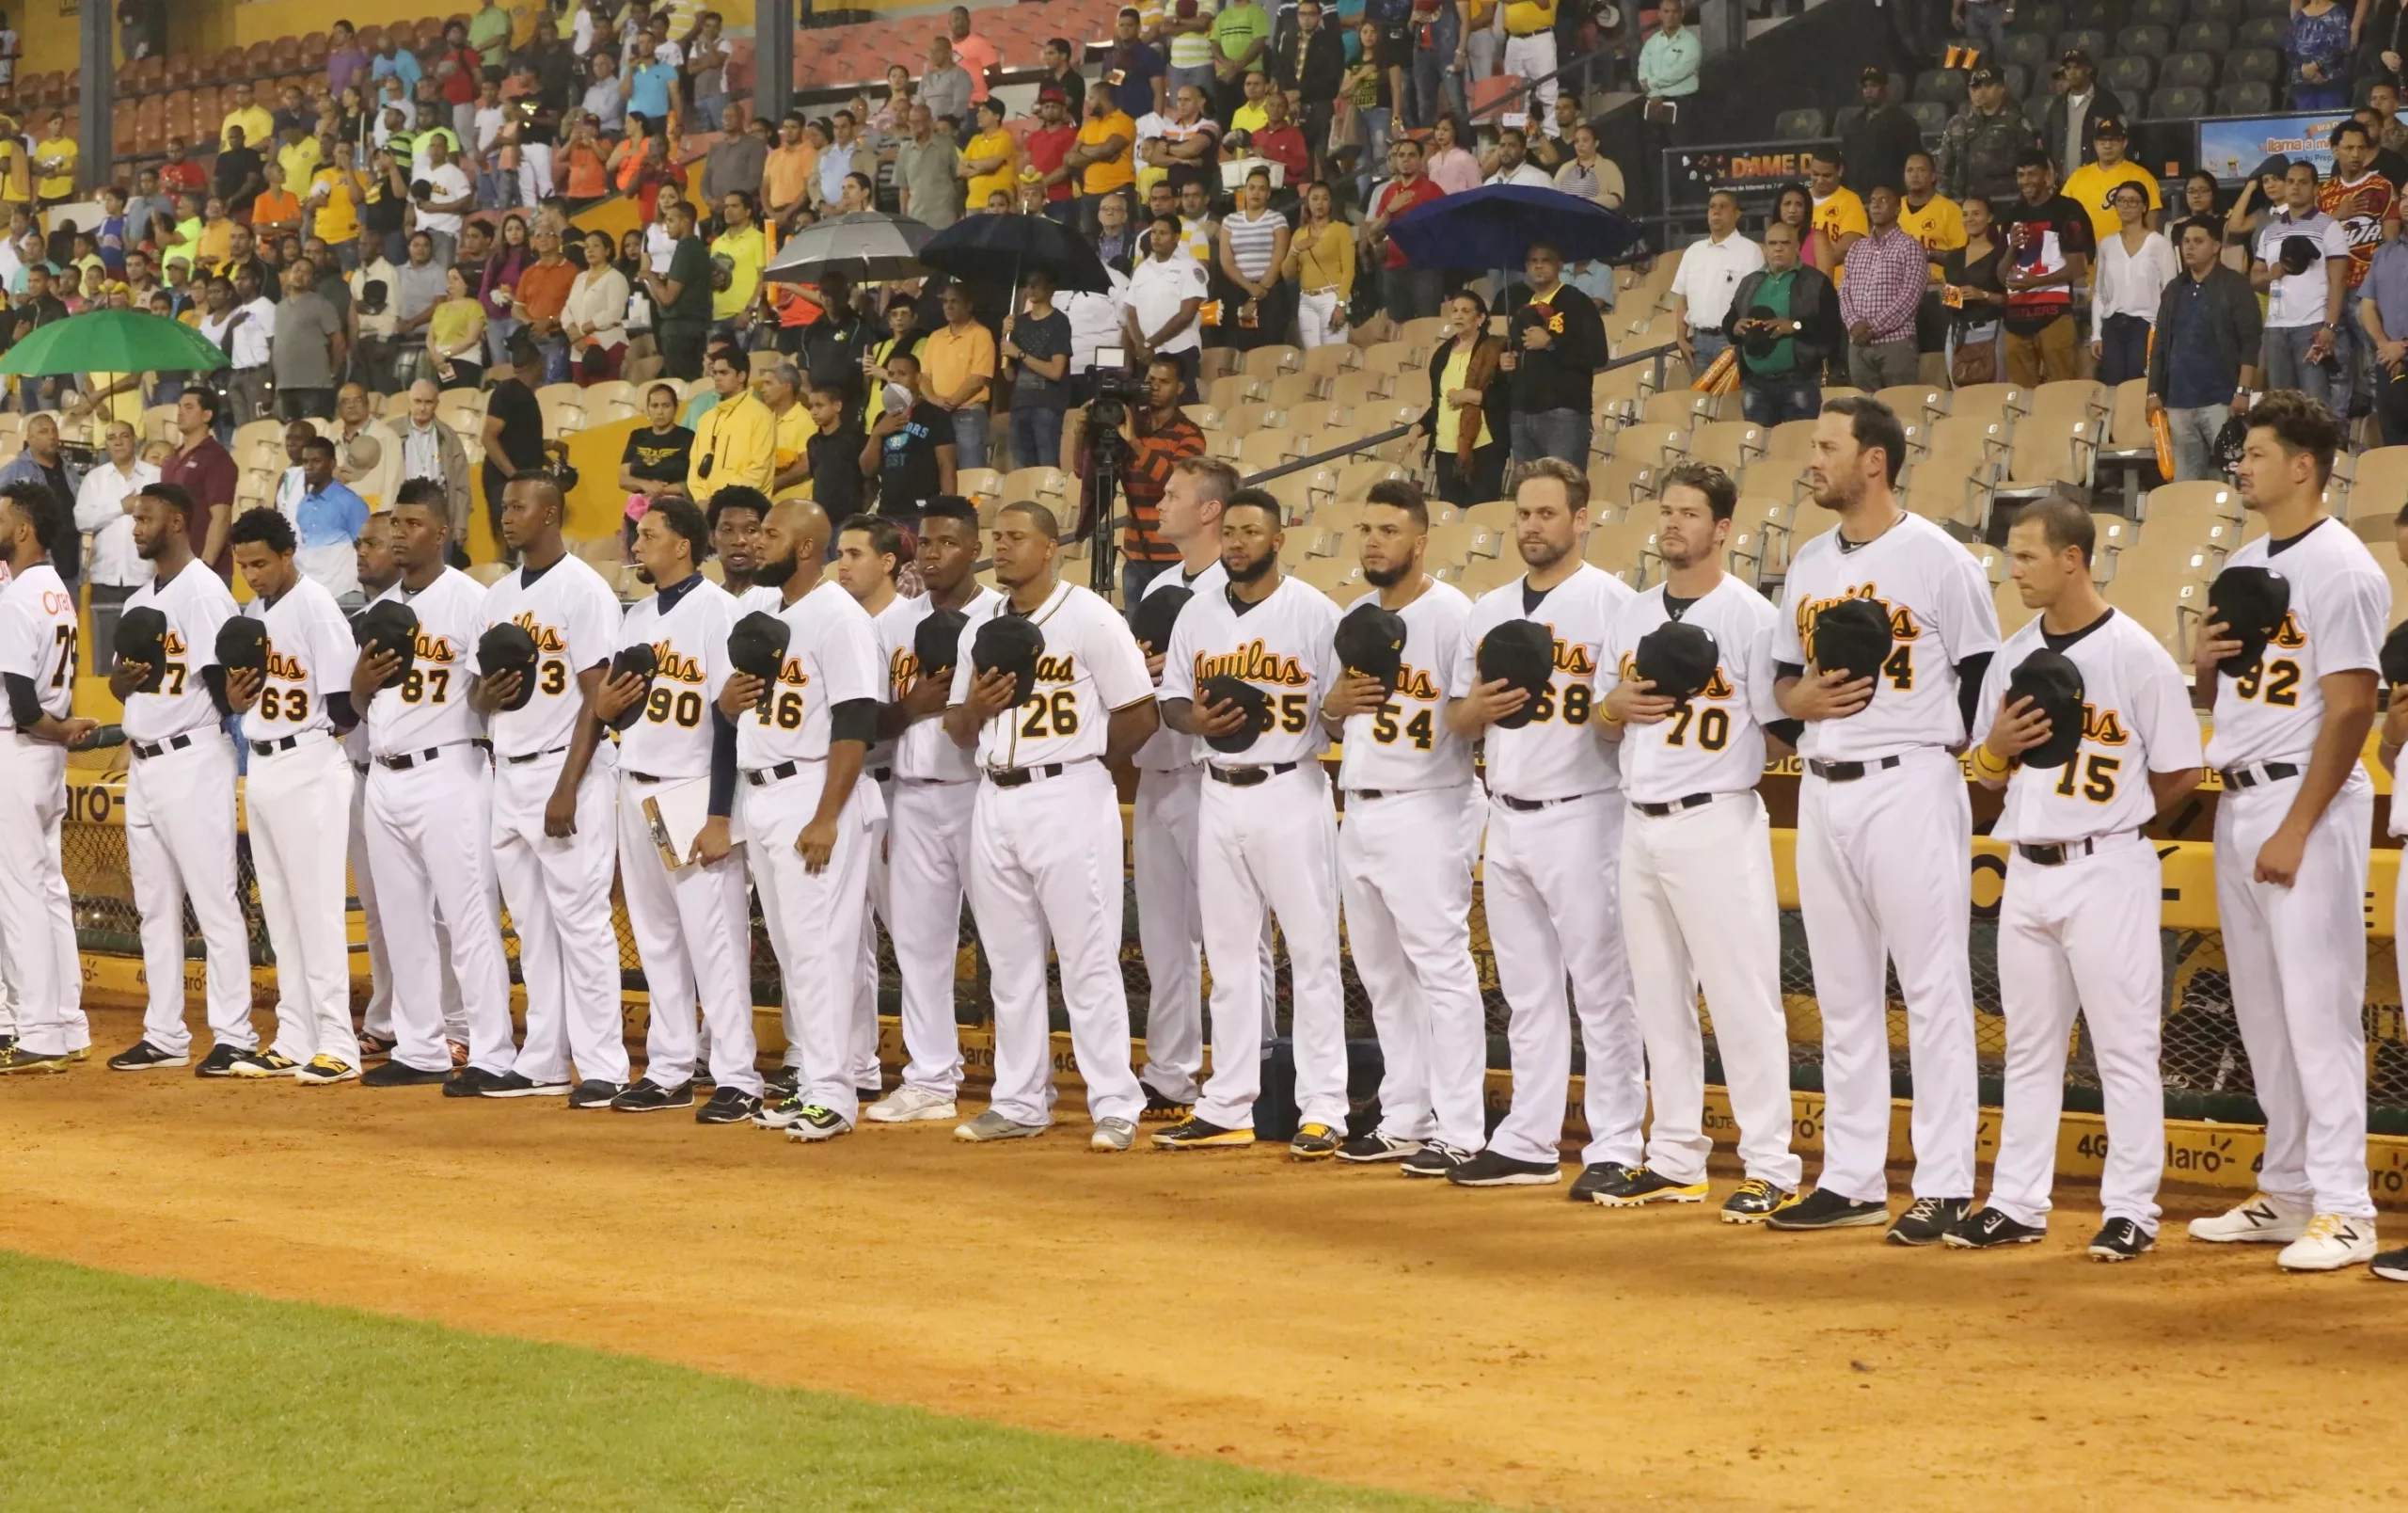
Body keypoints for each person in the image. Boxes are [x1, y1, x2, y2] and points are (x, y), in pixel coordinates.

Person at [1766, 397, 2001, 1243]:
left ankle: (1942, 1182)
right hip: (1824, 785)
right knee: (1843, 994)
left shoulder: (1939, 559)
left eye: (1828, 445)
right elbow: (1781, 691)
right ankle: (1853, 1175)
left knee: (1933, 989)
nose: (1814, 459)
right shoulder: (1807, 563)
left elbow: (1984, 679)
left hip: (1910, 780)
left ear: (1875, 461)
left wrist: (1950, 754)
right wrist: (1805, 699)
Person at [1953, 497, 2202, 1258]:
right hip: (2025, 868)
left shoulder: (2134, 653)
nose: (2013, 570)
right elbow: (1984, 775)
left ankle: (2130, 1209)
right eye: (2010, 556)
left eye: (2027, 556)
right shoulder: (2013, 653)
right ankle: (2017, 1202)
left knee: (2124, 1047)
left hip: (2106, 867)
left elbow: (2183, 769)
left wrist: (2120, 822)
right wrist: (1993, 745)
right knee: (2028, 1047)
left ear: (2072, 558)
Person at [2182, 392, 2384, 1270]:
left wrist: (2299, 826)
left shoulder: (2342, 567)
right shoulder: (2253, 556)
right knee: (2265, 1014)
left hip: (2307, 806)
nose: (2242, 466)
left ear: (2304, 466)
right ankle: (2291, 1187)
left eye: (2258, 454)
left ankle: (2348, 1208)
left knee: (2318, 1010)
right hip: (2239, 797)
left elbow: (2352, 710)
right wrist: (2202, 671)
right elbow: (2233, 696)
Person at [1592, 462, 1802, 1218]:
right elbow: (1599, 719)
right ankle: (1675, 1154)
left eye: (1690, 513)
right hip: (1638, 817)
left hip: (1716, 816)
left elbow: (1783, 734)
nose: (1673, 524)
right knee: (1658, 998)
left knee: (1742, 997)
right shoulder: (1630, 613)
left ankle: (1771, 1163)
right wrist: (1612, 707)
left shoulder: (1750, 616)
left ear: (1723, 529)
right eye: (1667, 511)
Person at [1440, 457, 1639, 1190]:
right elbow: (1455, 718)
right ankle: (1529, 1135)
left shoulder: (1616, 605)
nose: (1532, 526)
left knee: (1602, 989)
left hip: (1587, 814)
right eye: (1524, 513)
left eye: (1547, 513)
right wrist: (1477, 712)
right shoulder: (1488, 609)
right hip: (1508, 815)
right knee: (1526, 991)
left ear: (1581, 520)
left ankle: (1616, 1142)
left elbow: (1629, 717)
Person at [1148, 489, 1344, 1155]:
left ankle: (1325, 1107)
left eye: (1250, 531)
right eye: (1229, 531)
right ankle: (1229, 1101)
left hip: (1291, 788)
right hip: (1218, 793)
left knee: (1312, 954)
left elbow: (1342, 708)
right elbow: (1172, 698)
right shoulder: (1197, 613)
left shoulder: (1316, 612)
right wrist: (1193, 721)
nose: (1235, 542)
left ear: (1277, 539)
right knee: (1229, 957)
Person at [1309, 477, 1483, 1164]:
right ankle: (1404, 1115)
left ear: (1420, 539)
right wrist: (1335, 700)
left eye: (1388, 529)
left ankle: (1462, 1127)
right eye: (1366, 529)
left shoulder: (1454, 615)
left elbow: (1470, 720)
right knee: (1381, 973)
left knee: (1441, 968)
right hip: (1361, 805)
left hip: (1430, 805)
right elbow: (1328, 717)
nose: (1374, 541)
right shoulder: (1353, 615)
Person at [465, 473, 627, 1105]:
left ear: (552, 512)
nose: (507, 516)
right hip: (508, 769)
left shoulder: (584, 592)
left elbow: (599, 697)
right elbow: (479, 691)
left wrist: (568, 786)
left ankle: (605, 1065)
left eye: (518, 506)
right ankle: (544, 1060)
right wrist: (487, 694)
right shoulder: (497, 595)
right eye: (503, 506)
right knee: (532, 929)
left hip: (566, 771)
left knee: (582, 925)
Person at [350, 482, 519, 1089]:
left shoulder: (472, 599)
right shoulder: (377, 610)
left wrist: (483, 689)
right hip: (384, 773)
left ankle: (490, 1051)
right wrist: (360, 682)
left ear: (441, 533)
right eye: (394, 522)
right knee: (402, 920)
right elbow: (357, 701)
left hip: (451, 769)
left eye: (412, 523)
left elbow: (485, 689)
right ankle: (419, 1047)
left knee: (468, 919)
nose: (398, 533)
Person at [722, 499, 881, 1138]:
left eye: (770, 533)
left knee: (820, 949)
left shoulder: (837, 615)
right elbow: (749, 708)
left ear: (809, 546)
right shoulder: (763, 613)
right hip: (765, 793)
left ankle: (834, 1095)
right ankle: (815, 1081)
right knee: (795, 952)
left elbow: (856, 719)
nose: (757, 542)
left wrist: (825, 815)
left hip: (815, 789)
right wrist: (727, 702)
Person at [856, 496, 1003, 1123]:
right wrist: (910, 707)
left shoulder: (1000, 616)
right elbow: (870, 721)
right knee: (918, 945)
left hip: (981, 793)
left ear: (975, 548)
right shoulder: (892, 624)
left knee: (1007, 944)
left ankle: (1023, 1086)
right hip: (910, 793)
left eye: (948, 542)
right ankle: (931, 1080)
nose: (935, 553)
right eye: (928, 543)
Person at [100, 483, 252, 1076]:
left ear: (179, 521)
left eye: (147, 517)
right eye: (135, 517)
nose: (137, 527)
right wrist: (119, 686)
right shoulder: (143, 595)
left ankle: (235, 1034)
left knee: (214, 902)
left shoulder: (205, 591)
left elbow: (223, 682)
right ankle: (164, 1033)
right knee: (154, 907)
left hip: (193, 759)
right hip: (144, 764)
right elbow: (121, 683)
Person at [219, 507, 363, 1081]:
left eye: (260, 562)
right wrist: (235, 697)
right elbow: (246, 701)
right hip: (264, 764)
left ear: (287, 555)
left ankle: (339, 1044)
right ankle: (295, 1034)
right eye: (243, 564)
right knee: (280, 911)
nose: (251, 574)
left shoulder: (317, 609)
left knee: (317, 910)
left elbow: (345, 709)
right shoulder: (257, 613)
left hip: (309, 762)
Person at [0, 479, 97, 1075]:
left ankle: (36, 1031)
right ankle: (65, 1021)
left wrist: (56, 730)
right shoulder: (55, 590)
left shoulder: (16, 598)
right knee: (47, 887)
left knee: (19, 893)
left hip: (21, 745)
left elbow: (20, 696)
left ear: (24, 528)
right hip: (42, 759)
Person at [2252, 159, 2349, 410]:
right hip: (2275, 327)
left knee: (2315, 406)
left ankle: (2320, 451)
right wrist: (2270, 275)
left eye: (2303, 182)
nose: (2295, 187)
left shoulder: (2328, 226)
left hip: (2312, 326)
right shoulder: (2269, 231)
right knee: (2281, 408)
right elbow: (2254, 279)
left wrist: (2329, 326)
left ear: (2316, 188)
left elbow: (2338, 281)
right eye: (2291, 182)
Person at [1499, 240, 1605, 469]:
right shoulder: (1521, 309)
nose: (1538, 266)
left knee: (1564, 488)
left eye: (1545, 260)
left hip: (1563, 413)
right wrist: (1506, 362)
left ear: (1559, 265)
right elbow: (1516, 350)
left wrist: (1551, 343)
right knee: (1529, 491)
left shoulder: (1576, 302)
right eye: (1533, 261)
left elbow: (1598, 354)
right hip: (1521, 414)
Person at [1997, 150, 2093, 386]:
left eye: (2032, 174)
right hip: (2015, 320)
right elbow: (2000, 276)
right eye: (2021, 175)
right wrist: (2012, 248)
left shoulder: (2068, 210)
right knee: (2020, 399)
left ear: (2046, 176)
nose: (2026, 181)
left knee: (2061, 391)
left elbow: (2078, 267)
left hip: (2055, 315)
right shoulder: (2012, 215)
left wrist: (2035, 282)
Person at [73, 422, 157, 671]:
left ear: (135, 440)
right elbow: (82, 520)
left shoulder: (156, 475)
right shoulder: (94, 478)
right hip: (105, 579)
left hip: (146, 578)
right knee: (106, 658)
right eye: (111, 437)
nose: (118, 442)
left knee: (147, 656)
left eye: (124, 436)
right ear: (106, 443)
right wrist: (121, 507)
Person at [1420, 289, 1506, 507]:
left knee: (1482, 511)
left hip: (1483, 446)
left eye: (1465, 311)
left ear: (1481, 318)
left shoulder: (1496, 349)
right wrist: (1419, 427)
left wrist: (1474, 396)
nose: (1458, 316)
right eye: (1455, 310)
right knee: (1451, 515)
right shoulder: (1442, 353)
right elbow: (1438, 401)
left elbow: (1507, 396)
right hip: (1446, 448)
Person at [2090, 183, 2178, 388]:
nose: (2125, 206)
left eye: (2132, 201)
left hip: (2145, 325)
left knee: (2139, 387)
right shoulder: (2107, 244)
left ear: (2144, 206)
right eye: (2120, 201)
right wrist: (2096, 334)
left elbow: (2171, 293)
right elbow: (2099, 294)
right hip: (2113, 325)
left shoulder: (2159, 244)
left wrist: (2163, 333)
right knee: (2112, 386)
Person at [1838, 184, 1925, 390]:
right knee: (1866, 414)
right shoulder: (1857, 248)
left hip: (1896, 344)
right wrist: (1853, 324)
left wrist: (1871, 328)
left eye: (1883, 200)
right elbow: (1844, 291)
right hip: (1858, 345)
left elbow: (1910, 298)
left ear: (1897, 210)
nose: (1876, 204)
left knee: (1901, 409)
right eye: (1873, 200)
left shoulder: (1910, 247)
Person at [1671, 191, 1763, 373]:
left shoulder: (1750, 251)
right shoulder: (1693, 252)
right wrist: (1681, 338)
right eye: (1712, 206)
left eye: (1723, 206)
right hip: (1698, 343)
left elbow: (1756, 301)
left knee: (1731, 401)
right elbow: (1683, 299)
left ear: (1737, 214)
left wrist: (1741, 340)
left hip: (1731, 341)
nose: (1716, 211)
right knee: (1700, 400)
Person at [863, 350, 956, 524]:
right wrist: (876, 434)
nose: (895, 378)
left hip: (922, 512)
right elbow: (867, 469)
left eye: (902, 374)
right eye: (891, 374)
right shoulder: (882, 417)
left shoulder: (936, 416)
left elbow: (947, 466)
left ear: (918, 378)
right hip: (887, 512)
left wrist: (948, 512)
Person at [1123, 213, 1210, 395]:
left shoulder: (1190, 267)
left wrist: (1150, 344)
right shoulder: (1141, 269)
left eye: (1163, 233)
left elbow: (1187, 313)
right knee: (1148, 410)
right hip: (1147, 356)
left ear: (1176, 237)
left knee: (1183, 406)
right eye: (1153, 232)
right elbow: (1130, 310)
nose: (1156, 237)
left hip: (1180, 351)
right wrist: (1140, 345)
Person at [1363, 135, 1447, 324]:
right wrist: (1389, 211)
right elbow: (1373, 234)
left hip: (1425, 269)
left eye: (1411, 155)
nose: (1405, 160)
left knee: (1427, 326)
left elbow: (1447, 227)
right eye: (1401, 155)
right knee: (1399, 329)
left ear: (1419, 160)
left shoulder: (1432, 190)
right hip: (1393, 269)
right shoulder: (1389, 192)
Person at [159, 388, 239, 580]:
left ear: (207, 415)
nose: (180, 412)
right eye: (179, 407)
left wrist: (204, 568)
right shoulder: (171, 460)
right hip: (172, 569)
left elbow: (221, 517)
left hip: (206, 571)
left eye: (188, 407)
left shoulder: (217, 458)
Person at [921, 283, 998, 471]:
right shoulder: (935, 337)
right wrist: (935, 401)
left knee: (971, 473)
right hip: (937, 414)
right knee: (939, 472)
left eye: (954, 301)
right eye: (945, 301)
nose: (948, 306)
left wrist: (950, 402)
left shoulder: (981, 334)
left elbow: (979, 378)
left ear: (969, 305)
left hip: (968, 414)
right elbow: (923, 377)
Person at [684, 344, 775, 502]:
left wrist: (719, 499)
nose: (717, 378)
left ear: (741, 376)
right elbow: (694, 469)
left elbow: (759, 470)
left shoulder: (761, 415)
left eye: (724, 373)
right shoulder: (707, 419)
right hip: (706, 508)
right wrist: (702, 500)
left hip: (746, 508)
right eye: (715, 373)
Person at [1937, 67, 2037, 208]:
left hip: (2005, 201)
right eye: (1975, 86)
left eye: (1988, 86)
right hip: (1962, 204)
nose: (1980, 91)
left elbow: (2030, 164)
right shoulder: (1957, 123)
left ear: (2001, 88)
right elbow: (1944, 167)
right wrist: (1942, 201)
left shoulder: (2016, 122)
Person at [1004, 270, 1073, 472]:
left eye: (1036, 284)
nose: (1030, 289)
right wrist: (1004, 337)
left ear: (1050, 288)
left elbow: (1056, 371)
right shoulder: (1018, 323)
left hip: (1047, 405)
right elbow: (1009, 375)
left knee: (1046, 468)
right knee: (1021, 470)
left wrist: (1020, 354)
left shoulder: (1059, 322)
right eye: (1028, 284)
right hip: (1019, 404)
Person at [1218, 167, 1292, 351]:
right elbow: (1227, 262)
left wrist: (1259, 291)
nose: (1256, 192)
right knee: (1241, 345)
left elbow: (1278, 258)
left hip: (1270, 290)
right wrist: (1250, 288)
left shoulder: (1277, 219)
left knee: (1271, 346)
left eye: (1261, 189)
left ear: (1268, 193)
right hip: (1239, 289)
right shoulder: (1230, 221)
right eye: (1252, 187)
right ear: (1244, 190)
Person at [644, 198, 715, 381]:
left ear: (685, 221)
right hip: (697, 326)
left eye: (671, 220)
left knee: (681, 385)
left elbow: (668, 297)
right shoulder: (698, 247)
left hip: (680, 332)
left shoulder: (685, 250)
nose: (667, 226)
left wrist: (650, 276)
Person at [2061, 116, 2158, 247]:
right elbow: (2062, 216)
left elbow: (2151, 226)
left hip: (2126, 255)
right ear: (2095, 144)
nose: (2107, 146)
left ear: (2124, 143)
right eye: (2102, 141)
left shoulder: (2141, 177)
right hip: (2086, 257)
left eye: (2114, 141)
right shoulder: (2078, 177)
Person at [272, 258, 347, 421]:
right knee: (290, 435)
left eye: (306, 272)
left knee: (316, 432)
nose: (300, 275)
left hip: (315, 385)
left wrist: (333, 372)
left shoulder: (321, 304)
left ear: (312, 279)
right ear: (288, 274)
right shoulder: (279, 307)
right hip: (285, 384)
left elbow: (338, 342)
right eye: (296, 270)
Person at [1285, 180, 1355, 349]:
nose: (1319, 203)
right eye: (1315, 198)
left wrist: (1340, 305)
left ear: (1331, 203)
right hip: (1306, 301)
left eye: (1324, 198)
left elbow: (1349, 270)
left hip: (1331, 297)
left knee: (1332, 354)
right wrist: (1294, 250)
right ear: (1307, 203)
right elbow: (1287, 273)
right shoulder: (1300, 233)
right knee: (1313, 357)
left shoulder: (1341, 230)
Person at [1841, 67, 1923, 203]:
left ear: (1885, 89)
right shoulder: (1854, 123)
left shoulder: (1902, 121)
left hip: (1891, 197)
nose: (1869, 90)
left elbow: (1913, 160)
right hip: (1858, 197)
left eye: (1874, 86)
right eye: (1865, 86)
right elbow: (1846, 161)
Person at [2042, 49, 2124, 183]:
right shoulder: (2057, 105)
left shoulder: (2107, 102)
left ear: (2088, 69)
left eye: (2077, 67)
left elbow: (2123, 143)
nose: (2072, 72)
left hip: (2099, 183)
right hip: (2064, 185)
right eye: (2068, 68)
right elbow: (2047, 143)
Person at [563, 229, 630, 381]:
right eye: (587, 247)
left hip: (607, 345)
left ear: (607, 251)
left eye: (596, 246)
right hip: (579, 349)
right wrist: (572, 331)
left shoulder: (615, 278)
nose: (590, 250)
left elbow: (614, 313)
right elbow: (567, 309)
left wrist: (583, 330)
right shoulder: (580, 278)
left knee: (605, 395)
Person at [1805, 150, 1866, 282]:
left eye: (1826, 176)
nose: (1820, 181)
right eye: (1815, 174)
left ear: (1840, 171)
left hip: (1838, 287)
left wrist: (1806, 265)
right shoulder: (1799, 200)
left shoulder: (1850, 200)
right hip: (1802, 287)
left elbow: (1847, 249)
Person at [428, 263, 490, 390]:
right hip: (441, 363)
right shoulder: (441, 307)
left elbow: (471, 339)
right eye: (449, 278)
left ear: (467, 283)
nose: (450, 282)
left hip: (465, 361)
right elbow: (430, 337)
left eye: (455, 279)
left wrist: (445, 354)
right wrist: (436, 357)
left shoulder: (474, 306)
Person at [1500, 0, 1559, 126]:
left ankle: (1552, 135)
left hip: (1540, 37)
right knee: (1514, 93)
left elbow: (1543, 3)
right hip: (1514, 39)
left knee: (1547, 91)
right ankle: (1519, 135)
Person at [2287, 0, 2353, 112]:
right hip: (2303, 81)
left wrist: (2316, 65)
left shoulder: (2337, 13)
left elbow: (2340, 45)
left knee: (2328, 124)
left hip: (2330, 81)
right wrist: (2303, 67)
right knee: (2306, 126)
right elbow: (2289, 46)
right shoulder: (2299, 16)